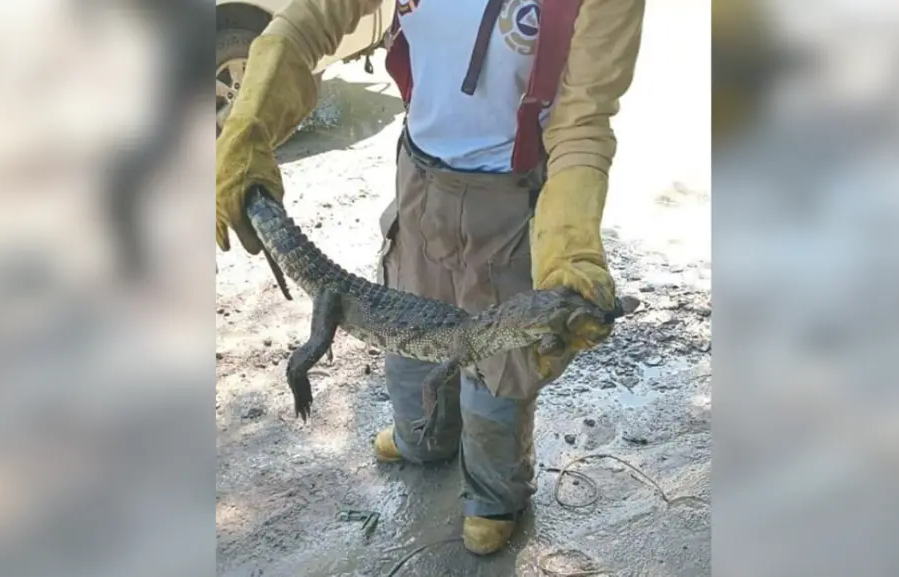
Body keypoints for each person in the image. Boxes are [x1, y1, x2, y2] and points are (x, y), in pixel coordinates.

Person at [216, 0, 645, 555]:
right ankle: (423, 441)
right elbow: (306, 23)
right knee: (410, 348)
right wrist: (249, 123)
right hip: (418, 177)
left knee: (503, 372)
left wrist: (570, 250)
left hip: (512, 196)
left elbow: (583, 122)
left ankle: (495, 497)